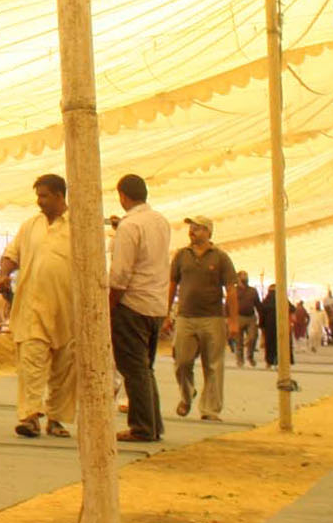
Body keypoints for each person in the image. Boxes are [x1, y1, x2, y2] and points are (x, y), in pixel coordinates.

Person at [0, 173, 75, 439]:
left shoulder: (78, 227)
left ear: (59, 196)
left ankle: (56, 419)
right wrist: (4, 275)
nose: (39, 201)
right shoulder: (30, 226)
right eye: (38, 196)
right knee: (31, 363)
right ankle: (30, 417)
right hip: (32, 307)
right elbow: (11, 255)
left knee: (64, 369)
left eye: (43, 196)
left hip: (67, 311)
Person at [108, 173, 170, 443]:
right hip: (156, 304)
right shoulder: (160, 221)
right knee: (146, 368)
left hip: (133, 304)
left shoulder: (130, 226)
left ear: (123, 196)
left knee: (133, 368)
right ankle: (153, 424)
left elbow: (120, 273)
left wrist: (111, 306)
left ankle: (142, 426)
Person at [166, 215, 238, 422]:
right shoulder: (181, 256)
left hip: (213, 318)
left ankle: (210, 409)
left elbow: (231, 290)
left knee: (213, 364)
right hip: (185, 317)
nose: (192, 231)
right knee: (181, 361)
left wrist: (232, 321)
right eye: (191, 228)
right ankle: (187, 394)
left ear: (208, 232)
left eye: (197, 228)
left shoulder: (220, 257)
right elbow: (172, 285)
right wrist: (166, 315)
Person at [232, 271, 260, 366]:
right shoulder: (234, 290)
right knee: (238, 340)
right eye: (243, 275)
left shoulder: (252, 290)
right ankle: (240, 360)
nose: (245, 277)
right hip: (238, 317)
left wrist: (262, 316)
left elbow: (258, 304)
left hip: (251, 317)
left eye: (246, 275)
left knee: (252, 337)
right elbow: (229, 304)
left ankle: (250, 356)